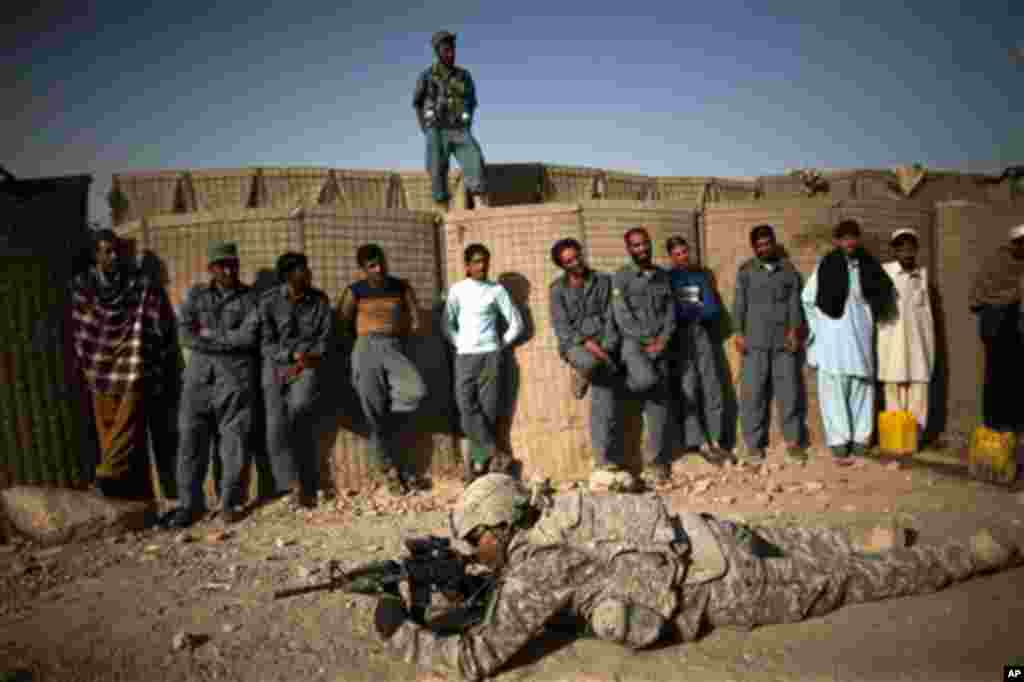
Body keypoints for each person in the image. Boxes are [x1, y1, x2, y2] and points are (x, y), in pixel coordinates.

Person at [368, 473, 1019, 681]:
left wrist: (399, 628)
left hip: (722, 582)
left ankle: (977, 554)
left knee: (847, 580)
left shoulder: (543, 566)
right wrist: (449, 581)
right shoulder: (559, 510)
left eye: (478, 537)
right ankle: (871, 539)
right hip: (710, 533)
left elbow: (477, 654)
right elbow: (500, 585)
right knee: (817, 545)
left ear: (505, 524)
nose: (474, 548)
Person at [69, 229, 177, 500]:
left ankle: (106, 475)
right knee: (108, 427)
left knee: (128, 424)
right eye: (106, 251)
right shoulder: (83, 285)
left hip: (131, 364)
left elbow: (155, 319)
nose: (113, 256)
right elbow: (83, 327)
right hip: (99, 366)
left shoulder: (136, 283)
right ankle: (120, 496)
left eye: (116, 250)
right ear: (96, 256)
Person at [165, 242, 259, 529]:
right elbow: (184, 333)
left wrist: (208, 335)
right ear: (211, 269)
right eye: (221, 265)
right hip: (198, 379)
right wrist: (224, 337)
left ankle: (229, 502)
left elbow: (248, 337)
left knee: (233, 443)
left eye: (232, 264)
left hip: (234, 380)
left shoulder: (251, 299)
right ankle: (188, 504)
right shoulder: (196, 295)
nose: (228, 270)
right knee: (190, 442)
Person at [337, 244, 428, 496]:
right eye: (372, 266)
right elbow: (342, 322)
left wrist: (408, 332)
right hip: (365, 347)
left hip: (394, 346)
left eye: (382, 262)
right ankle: (390, 472)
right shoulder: (355, 291)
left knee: (415, 391)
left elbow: (415, 317)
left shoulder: (401, 287)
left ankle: (389, 428)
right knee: (374, 414)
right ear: (363, 269)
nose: (380, 268)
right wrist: (354, 353)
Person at [802, 219, 895, 461]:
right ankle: (839, 440)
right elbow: (808, 299)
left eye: (853, 237)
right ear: (837, 241)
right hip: (833, 338)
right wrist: (818, 330)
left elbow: (884, 294)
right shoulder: (827, 265)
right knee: (834, 390)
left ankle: (861, 438)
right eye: (844, 238)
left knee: (861, 387)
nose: (849, 242)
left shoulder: (868, 264)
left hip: (861, 335)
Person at [548, 238, 631, 490]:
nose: (577, 263)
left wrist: (605, 347)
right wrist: (590, 346)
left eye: (578, 257)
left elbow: (611, 317)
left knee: (604, 401)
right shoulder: (557, 290)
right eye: (569, 261)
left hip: (603, 344)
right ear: (562, 265)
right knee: (591, 363)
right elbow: (562, 328)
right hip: (575, 346)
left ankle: (604, 460)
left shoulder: (603, 281)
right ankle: (583, 368)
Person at [258, 252, 333, 509]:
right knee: (276, 428)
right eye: (303, 269)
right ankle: (291, 487)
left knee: (299, 414)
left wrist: (304, 360)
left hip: (307, 366)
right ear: (289, 275)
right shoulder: (268, 302)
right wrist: (289, 356)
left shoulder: (319, 301)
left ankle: (309, 483)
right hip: (276, 368)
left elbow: (325, 339)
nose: (309, 273)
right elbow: (266, 343)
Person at [443, 244, 523, 483]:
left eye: (485, 261)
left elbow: (516, 323)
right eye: (477, 262)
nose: (482, 266)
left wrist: (500, 344)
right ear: (467, 265)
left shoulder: (496, 291)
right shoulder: (458, 290)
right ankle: (497, 453)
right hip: (465, 356)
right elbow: (446, 324)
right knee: (466, 407)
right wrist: (460, 343)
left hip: (491, 355)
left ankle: (478, 468)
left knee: (487, 412)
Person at [733, 225, 808, 463]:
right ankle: (753, 446)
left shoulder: (789, 271)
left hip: (783, 344)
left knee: (789, 393)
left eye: (768, 243)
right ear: (754, 247)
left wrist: (795, 331)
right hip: (754, 343)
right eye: (760, 245)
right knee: (752, 395)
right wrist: (738, 332)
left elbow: (795, 304)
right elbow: (739, 303)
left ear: (774, 243)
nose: (764, 248)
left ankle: (793, 442)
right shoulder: (746, 272)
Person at [609, 227, 677, 483]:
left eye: (645, 244)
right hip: (634, 345)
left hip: (661, 347)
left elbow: (671, 312)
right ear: (629, 249)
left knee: (658, 404)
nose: (642, 249)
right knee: (645, 383)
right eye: (636, 245)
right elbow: (622, 315)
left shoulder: (661, 276)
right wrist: (648, 340)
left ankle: (656, 463)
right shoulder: (622, 277)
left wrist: (663, 340)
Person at [665, 236, 729, 462]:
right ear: (671, 257)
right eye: (678, 253)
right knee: (688, 389)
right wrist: (693, 305)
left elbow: (711, 309)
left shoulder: (700, 276)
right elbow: (672, 311)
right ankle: (699, 442)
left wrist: (692, 308)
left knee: (712, 386)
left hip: (701, 334)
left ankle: (716, 439)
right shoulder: (668, 279)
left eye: (685, 252)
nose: (683, 256)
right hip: (679, 338)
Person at [412, 31, 489, 210]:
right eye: (446, 50)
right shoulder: (427, 76)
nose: (451, 54)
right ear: (438, 52)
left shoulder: (464, 75)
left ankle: (480, 203)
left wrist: (467, 122)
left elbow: (471, 101)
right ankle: (443, 209)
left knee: (474, 157)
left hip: (459, 129)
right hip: (437, 129)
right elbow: (417, 103)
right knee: (436, 167)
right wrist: (425, 128)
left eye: (453, 50)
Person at [876, 229, 935, 438]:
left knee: (919, 391)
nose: (907, 253)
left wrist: (929, 348)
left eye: (911, 249)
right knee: (894, 389)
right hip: (892, 346)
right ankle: (895, 439)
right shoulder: (883, 274)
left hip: (919, 347)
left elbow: (926, 315)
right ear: (894, 251)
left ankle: (915, 439)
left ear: (916, 250)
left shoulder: (922, 276)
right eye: (901, 249)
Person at [969, 224, 1024, 433]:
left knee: (1017, 379)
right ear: (1013, 244)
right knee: (996, 377)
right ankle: (995, 424)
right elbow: (976, 298)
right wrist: (1009, 298)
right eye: (1020, 243)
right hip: (997, 330)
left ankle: (1015, 425)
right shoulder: (995, 263)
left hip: (1017, 330)